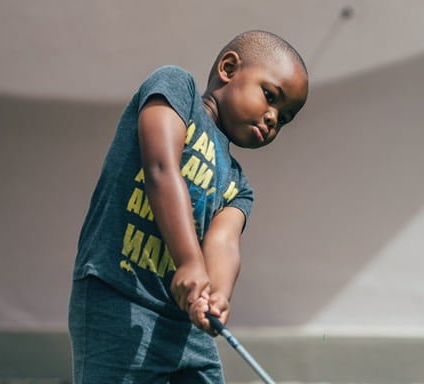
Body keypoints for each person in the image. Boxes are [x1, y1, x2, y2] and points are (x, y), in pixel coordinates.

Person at [68, 30, 309, 383]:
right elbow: (161, 169)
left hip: (186, 325)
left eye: (284, 118)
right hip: (118, 299)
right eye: (270, 96)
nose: (273, 118)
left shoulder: (239, 187)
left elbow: (224, 244)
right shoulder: (175, 87)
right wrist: (190, 262)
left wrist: (217, 296)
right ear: (228, 68)